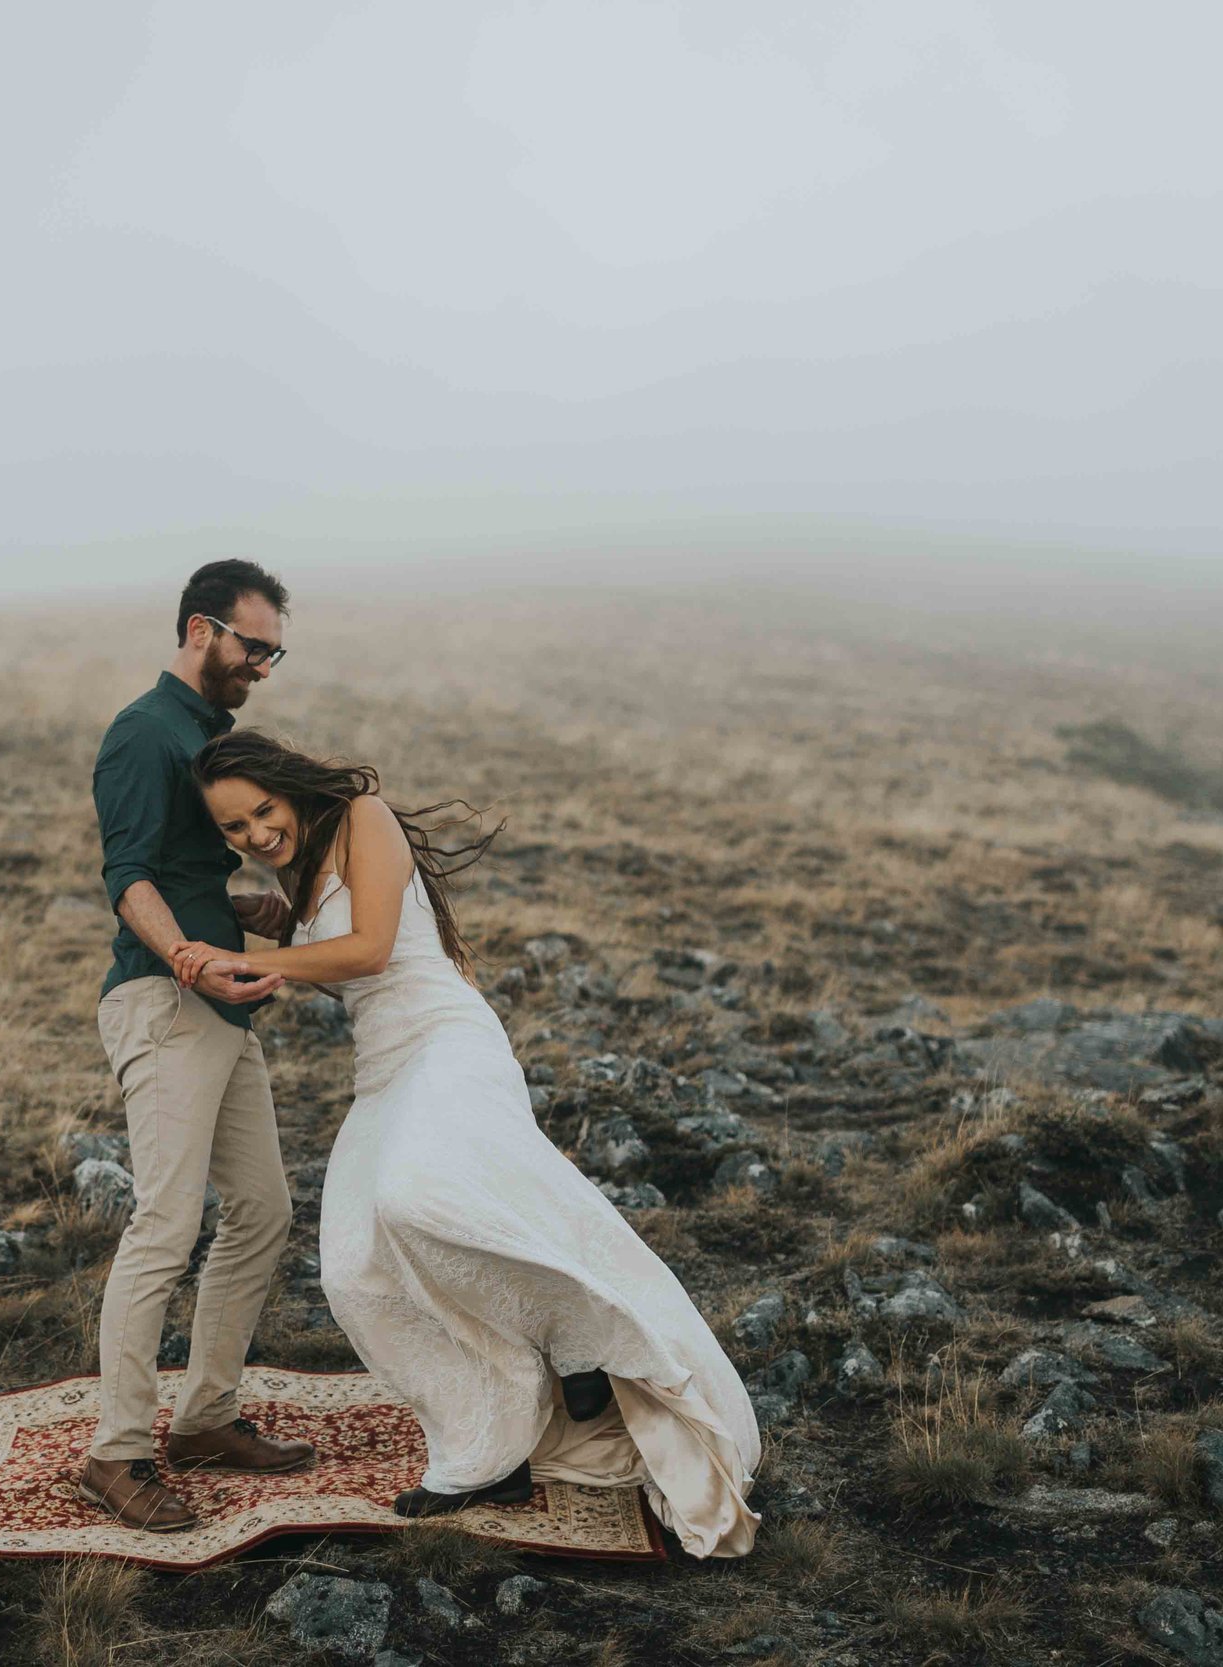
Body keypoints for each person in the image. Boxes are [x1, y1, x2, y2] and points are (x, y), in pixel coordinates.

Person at [173, 731, 761, 1557]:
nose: (255, 835)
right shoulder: (295, 861)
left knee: (418, 1198)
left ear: (289, 786)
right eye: (234, 829)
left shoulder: (359, 816)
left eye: (261, 811)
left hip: (446, 1042)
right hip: (381, 1069)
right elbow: (333, 952)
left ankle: (577, 1344)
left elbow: (373, 947)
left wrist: (242, 952)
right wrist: (270, 917)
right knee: (353, 1268)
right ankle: (484, 1453)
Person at [77, 561, 315, 1534]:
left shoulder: (209, 736)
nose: (261, 663)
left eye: (273, 650)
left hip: (219, 1002)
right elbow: (127, 872)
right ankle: (118, 1452)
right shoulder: (145, 730)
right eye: (251, 644)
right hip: (164, 995)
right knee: (165, 1224)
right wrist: (187, 954)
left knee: (263, 1207)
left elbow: (186, 867)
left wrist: (242, 907)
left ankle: (207, 1415)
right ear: (198, 628)